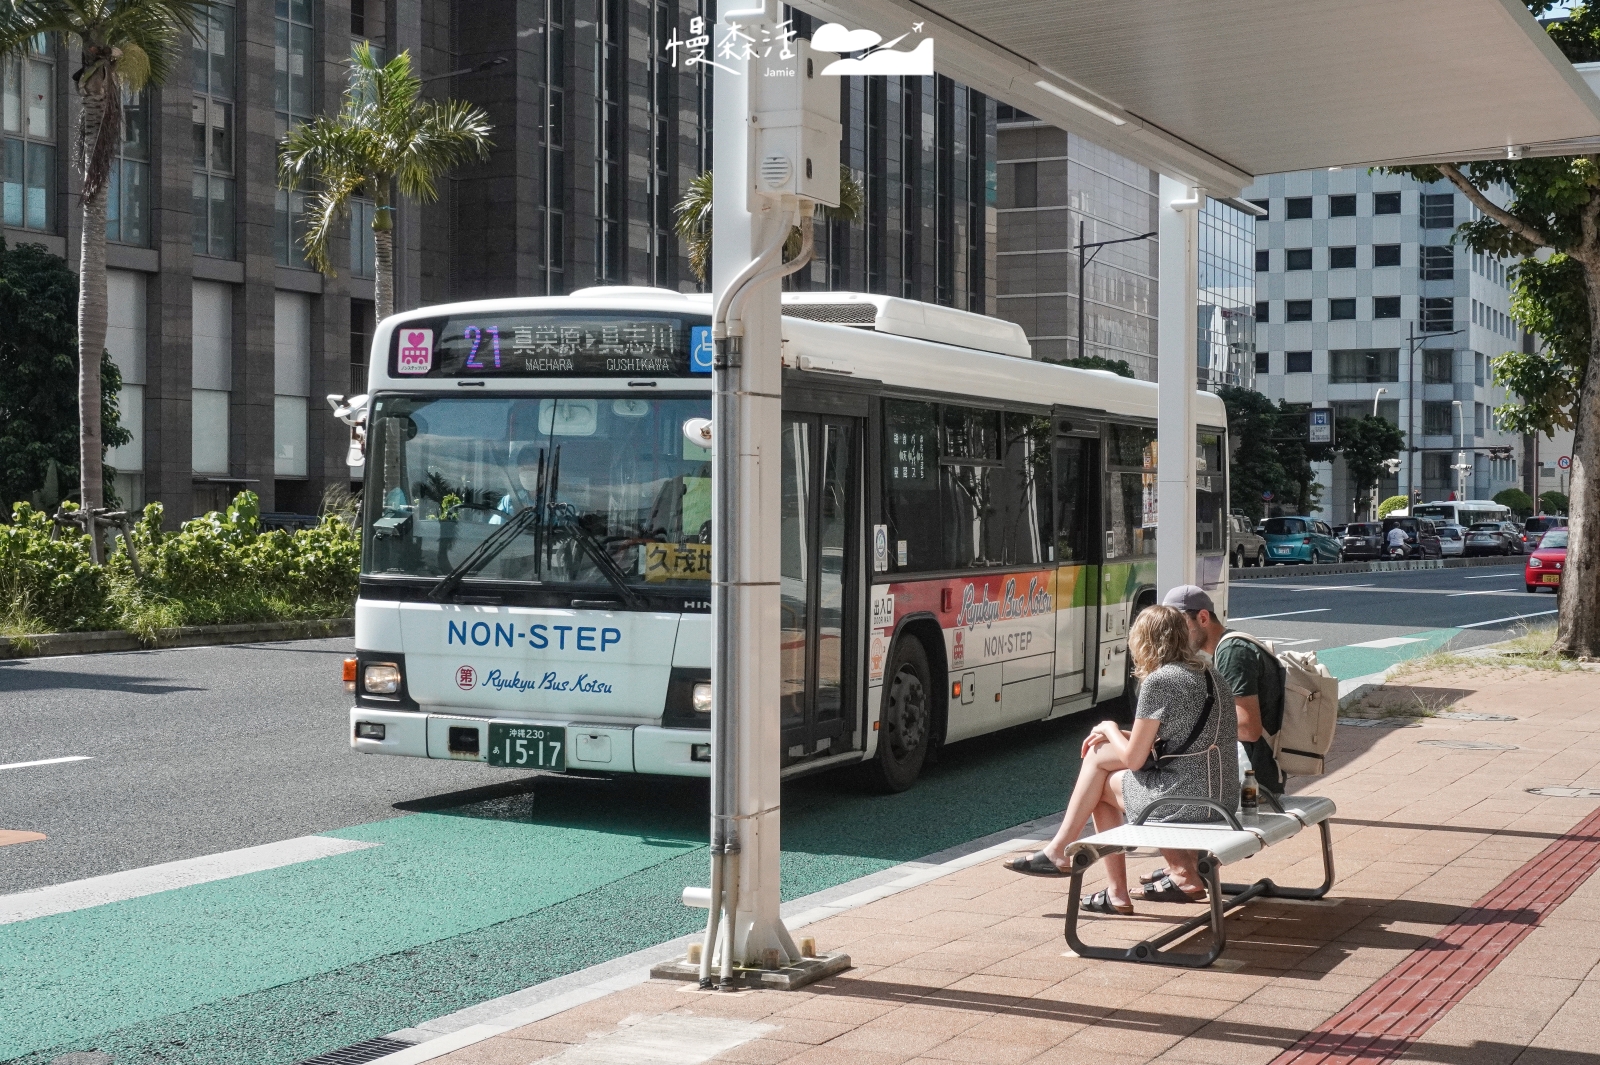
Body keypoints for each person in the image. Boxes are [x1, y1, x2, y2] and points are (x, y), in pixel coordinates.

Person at [1002, 606, 1239, 914]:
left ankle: (1094, 877)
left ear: (1144, 641)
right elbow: (1180, 738)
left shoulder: (1160, 681)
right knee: (1100, 764)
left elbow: (1134, 760)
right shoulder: (1210, 673)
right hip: (1221, 797)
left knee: (1098, 780)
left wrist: (1110, 728)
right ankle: (1067, 857)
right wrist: (1119, 735)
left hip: (1184, 800)